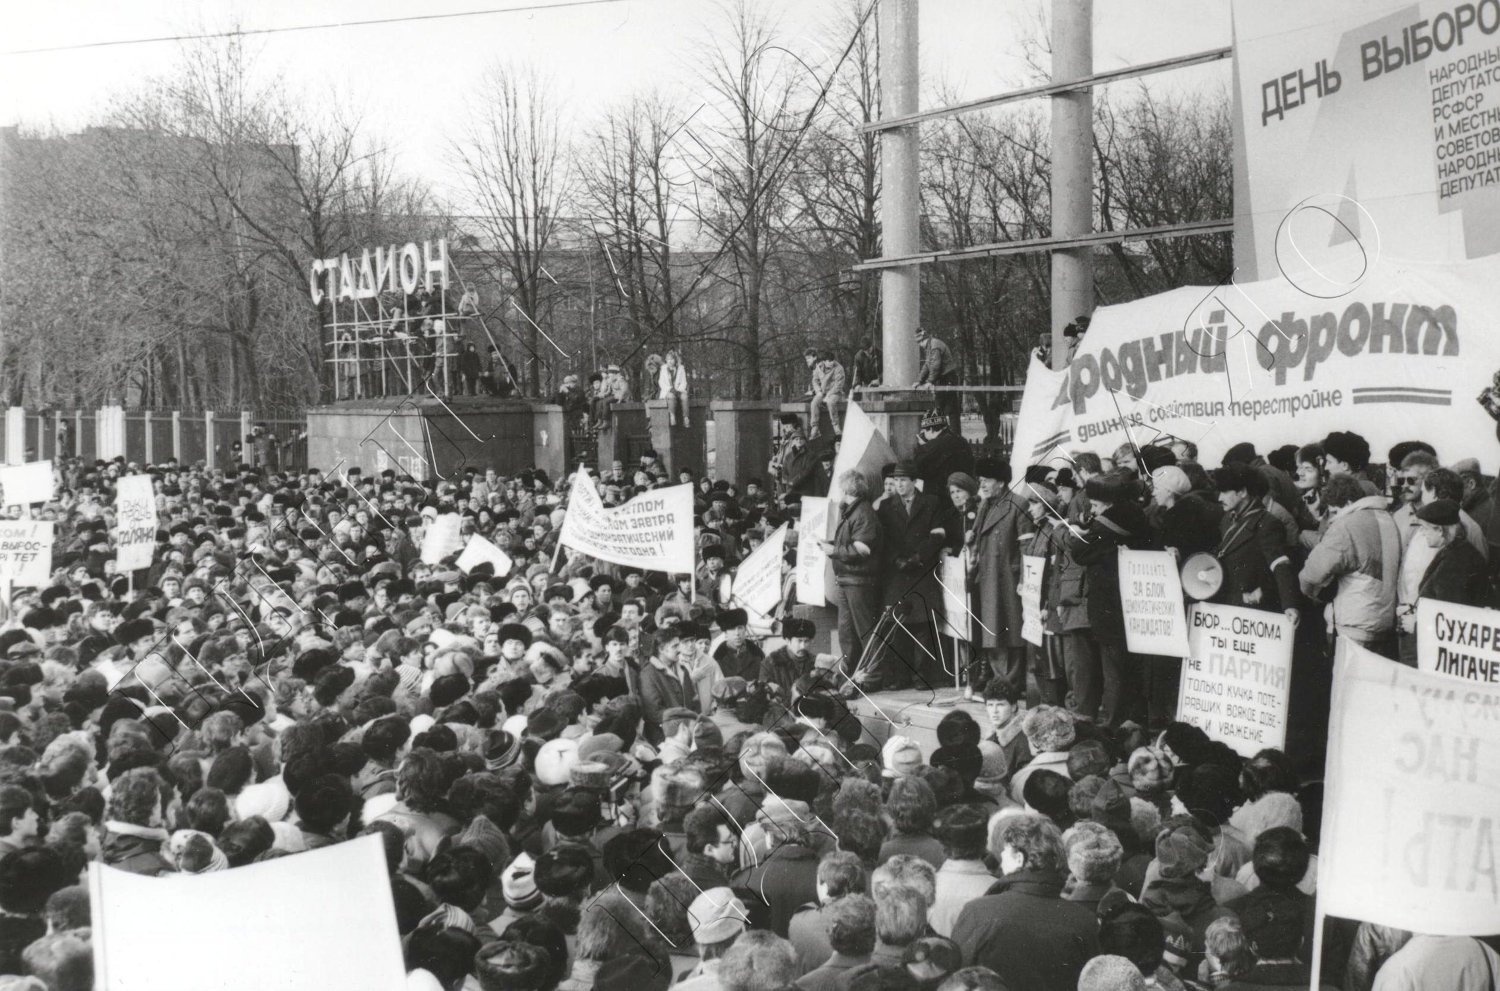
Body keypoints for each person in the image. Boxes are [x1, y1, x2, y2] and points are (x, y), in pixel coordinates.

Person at [949, 813, 1099, 991]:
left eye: (1005, 850)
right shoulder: (1084, 921)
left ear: (1019, 858)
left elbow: (956, 979)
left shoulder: (978, 912)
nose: (1001, 856)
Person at [968, 459, 1027, 699]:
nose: (981, 484)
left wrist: (1023, 579)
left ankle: (1009, 684)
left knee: (1009, 634)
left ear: (1001, 482)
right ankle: (999, 682)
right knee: (992, 635)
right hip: (988, 579)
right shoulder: (985, 506)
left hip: (1008, 582)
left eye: (986, 480)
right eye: (980, 480)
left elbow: (1025, 547)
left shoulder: (1018, 504)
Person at [822, 470, 884, 673]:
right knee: (848, 631)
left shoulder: (862, 513)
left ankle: (872, 674)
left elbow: (863, 550)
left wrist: (833, 550)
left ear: (847, 489)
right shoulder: (856, 511)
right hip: (849, 579)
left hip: (858, 580)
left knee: (864, 630)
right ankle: (853, 671)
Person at [913, 328, 961, 432]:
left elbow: (935, 366)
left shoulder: (934, 346)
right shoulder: (930, 347)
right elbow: (927, 365)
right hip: (943, 378)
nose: (920, 345)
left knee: (951, 409)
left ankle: (955, 437)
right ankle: (943, 435)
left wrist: (929, 381)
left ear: (923, 340)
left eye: (919, 342)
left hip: (948, 378)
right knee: (939, 408)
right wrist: (919, 380)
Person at [806, 349, 846, 439]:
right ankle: (815, 427)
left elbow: (838, 385)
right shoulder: (819, 367)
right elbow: (815, 381)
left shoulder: (839, 368)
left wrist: (828, 395)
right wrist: (818, 391)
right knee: (814, 403)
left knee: (831, 402)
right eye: (828, 361)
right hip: (823, 393)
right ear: (824, 361)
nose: (831, 363)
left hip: (836, 393)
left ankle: (836, 426)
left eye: (832, 361)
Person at [659, 350, 691, 428]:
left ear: (675, 360)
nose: (670, 361)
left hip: (679, 390)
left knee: (685, 397)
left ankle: (686, 418)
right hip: (668, 391)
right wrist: (670, 389)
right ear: (666, 360)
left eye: (672, 359)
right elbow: (661, 382)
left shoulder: (680, 368)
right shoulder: (663, 369)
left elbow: (684, 382)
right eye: (668, 359)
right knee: (671, 396)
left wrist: (679, 390)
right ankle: (672, 416)